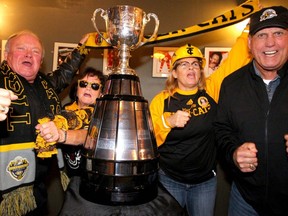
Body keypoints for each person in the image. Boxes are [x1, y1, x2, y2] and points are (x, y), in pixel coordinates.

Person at [149, 24, 252, 216]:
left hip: (204, 182)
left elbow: (234, 61)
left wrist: (248, 29)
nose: (191, 68)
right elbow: (148, 139)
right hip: (170, 179)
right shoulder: (162, 100)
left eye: (195, 64)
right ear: (174, 72)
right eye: (184, 64)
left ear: (200, 70)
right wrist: (168, 122)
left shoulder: (211, 90)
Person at [0, 30, 89, 215]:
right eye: (21, 49)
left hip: (38, 183)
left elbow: (64, 74)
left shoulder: (45, 84)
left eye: (35, 51)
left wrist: (81, 50)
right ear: (6, 54)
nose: (28, 54)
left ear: (40, 61)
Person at [214, 6, 288, 216]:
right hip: (245, 199)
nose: (270, 42)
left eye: (279, 33)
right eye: (261, 35)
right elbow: (222, 130)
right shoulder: (231, 83)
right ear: (249, 43)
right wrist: (233, 153)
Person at [61, 67, 106, 177]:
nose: (88, 88)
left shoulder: (104, 116)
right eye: (83, 84)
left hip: (93, 177)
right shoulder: (64, 110)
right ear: (77, 90)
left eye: (95, 86)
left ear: (100, 94)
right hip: (67, 175)